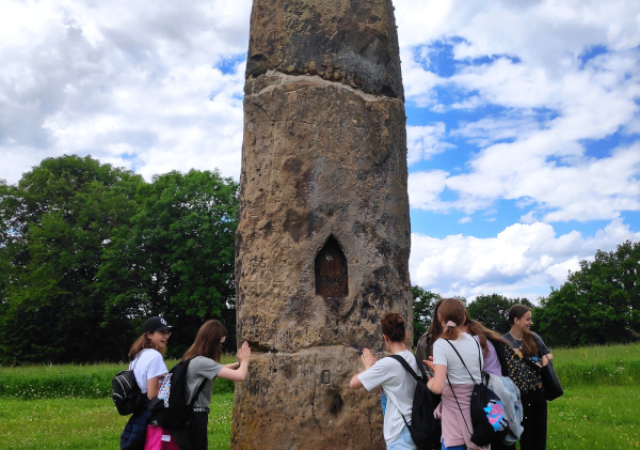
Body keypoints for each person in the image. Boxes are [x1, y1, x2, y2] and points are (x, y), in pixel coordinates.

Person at [172, 320, 251, 450]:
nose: (220, 347)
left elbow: (218, 368)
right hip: (195, 419)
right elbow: (240, 376)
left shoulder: (192, 359)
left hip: (185, 417)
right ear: (211, 342)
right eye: (220, 344)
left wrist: (238, 363)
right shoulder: (203, 362)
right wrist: (246, 360)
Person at [426, 298, 489, 450]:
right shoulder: (474, 341)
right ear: (464, 318)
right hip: (477, 415)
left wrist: (430, 381)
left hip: (455, 422)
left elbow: (438, 388)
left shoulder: (441, 344)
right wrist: (443, 370)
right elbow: (473, 374)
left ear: (439, 317)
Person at [350, 312, 418, 449]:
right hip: (417, 427)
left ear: (384, 337)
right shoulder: (413, 359)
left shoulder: (388, 364)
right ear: (404, 335)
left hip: (399, 432)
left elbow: (353, 383)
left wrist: (368, 367)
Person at [502, 304, 553, 450]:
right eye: (528, 319)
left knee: (539, 437)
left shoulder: (534, 337)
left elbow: (548, 353)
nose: (531, 323)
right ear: (516, 320)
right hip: (517, 398)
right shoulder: (503, 342)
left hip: (538, 394)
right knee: (526, 438)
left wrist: (545, 359)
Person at [121, 316, 173, 450]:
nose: (165, 336)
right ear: (149, 335)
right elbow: (152, 394)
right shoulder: (155, 357)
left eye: (167, 333)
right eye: (161, 333)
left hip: (139, 411)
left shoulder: (138, 356)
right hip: (150, 412)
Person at [415, 298, 445, 364]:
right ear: (437, 314)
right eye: (442, 311)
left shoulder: (463, 338)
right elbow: (420, 366)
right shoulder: (425, 341)